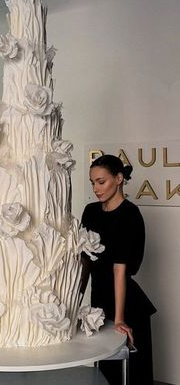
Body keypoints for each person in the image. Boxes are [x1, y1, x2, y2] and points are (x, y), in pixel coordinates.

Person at [81, 154, 156, 385]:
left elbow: (119, 269)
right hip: (99, 300)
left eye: (101, 182)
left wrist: (120, 318)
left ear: (119, 178)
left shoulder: (130, 214)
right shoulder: (90, 212)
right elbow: (84, 262)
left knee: (132, 374)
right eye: (93, 182)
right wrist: (74, 300)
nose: (96, 188)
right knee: (106, 372)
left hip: (127, 305)